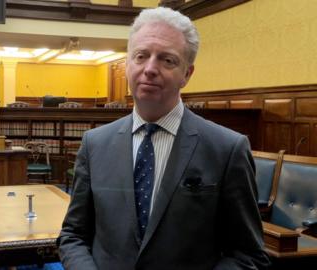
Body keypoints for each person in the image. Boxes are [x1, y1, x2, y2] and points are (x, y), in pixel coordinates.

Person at [58, 6, 270, 270]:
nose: (150, 68)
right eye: (141, 56)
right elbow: (73, 236)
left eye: (167, 60)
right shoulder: (94, 144)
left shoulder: (227, 149)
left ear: (187, 74)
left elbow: (247, 254)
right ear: (127, 65)